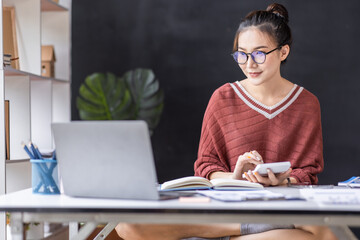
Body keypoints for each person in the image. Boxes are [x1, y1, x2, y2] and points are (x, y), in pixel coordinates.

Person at [116, 3, 337, 240]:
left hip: (282, 205)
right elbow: (206, 167)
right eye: (241, 54)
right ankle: (253, 228)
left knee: (325, 233)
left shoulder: (306, 103)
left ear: (283, 52)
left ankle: (235, 230)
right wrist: (236, 175)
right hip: (230, 207)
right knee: (127, 225)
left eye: (259, 54)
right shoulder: (223, 98)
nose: (249, 64)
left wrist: (284, 180)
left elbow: (308, 173)